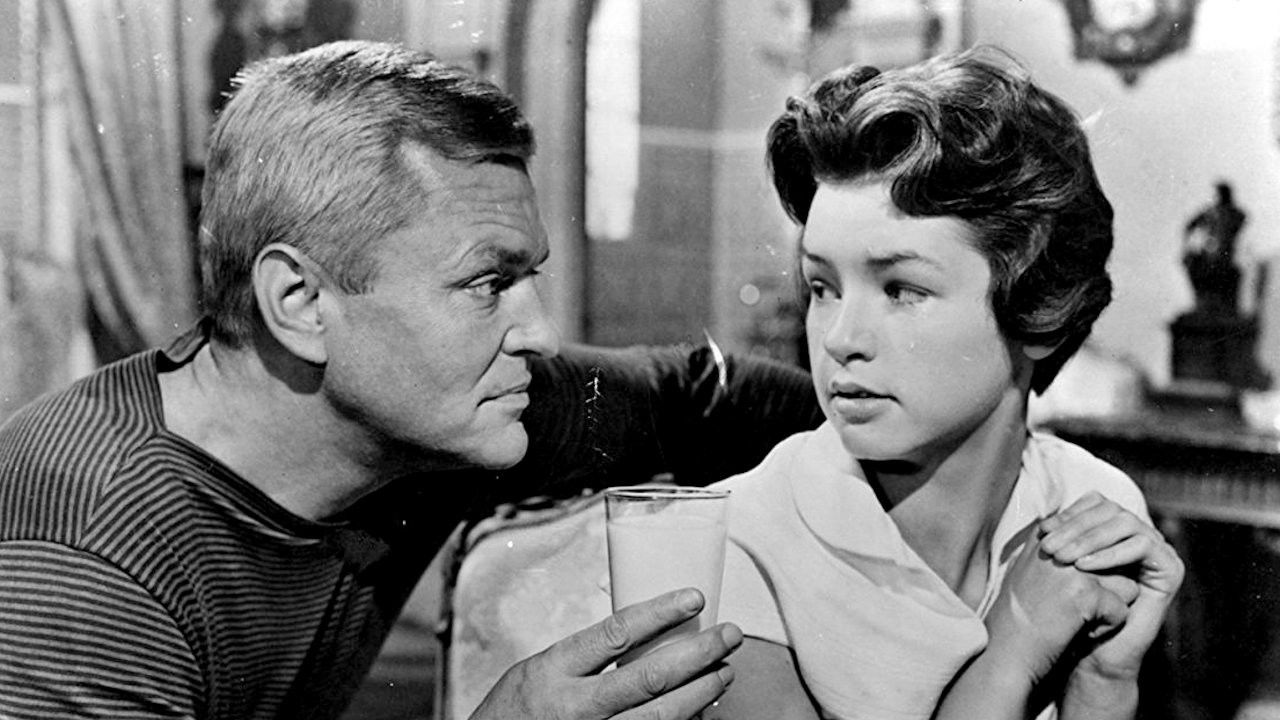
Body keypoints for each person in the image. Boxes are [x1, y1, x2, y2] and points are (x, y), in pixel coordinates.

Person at [0, 41, 824, 719]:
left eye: (529, 277)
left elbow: (695, 395)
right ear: (300, 303)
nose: (539, 334)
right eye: (487, 283)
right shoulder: (83, 569)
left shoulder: (442, 410)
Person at [703, 47, 1184, 720]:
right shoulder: (729, 540)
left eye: (902, 289)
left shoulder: (1093, 508)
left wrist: (1102, 684)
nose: (840, 338)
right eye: (822, 287)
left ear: (1040, 307)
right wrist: (1011, 651)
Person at [1182, 181, 1247, 316]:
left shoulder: (1233, 213)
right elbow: (1190, 225)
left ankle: (1213, 304)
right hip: (1212, 249)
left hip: (1225, 253)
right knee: (1193, 263)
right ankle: (1204, 303)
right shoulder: (1211, 212)